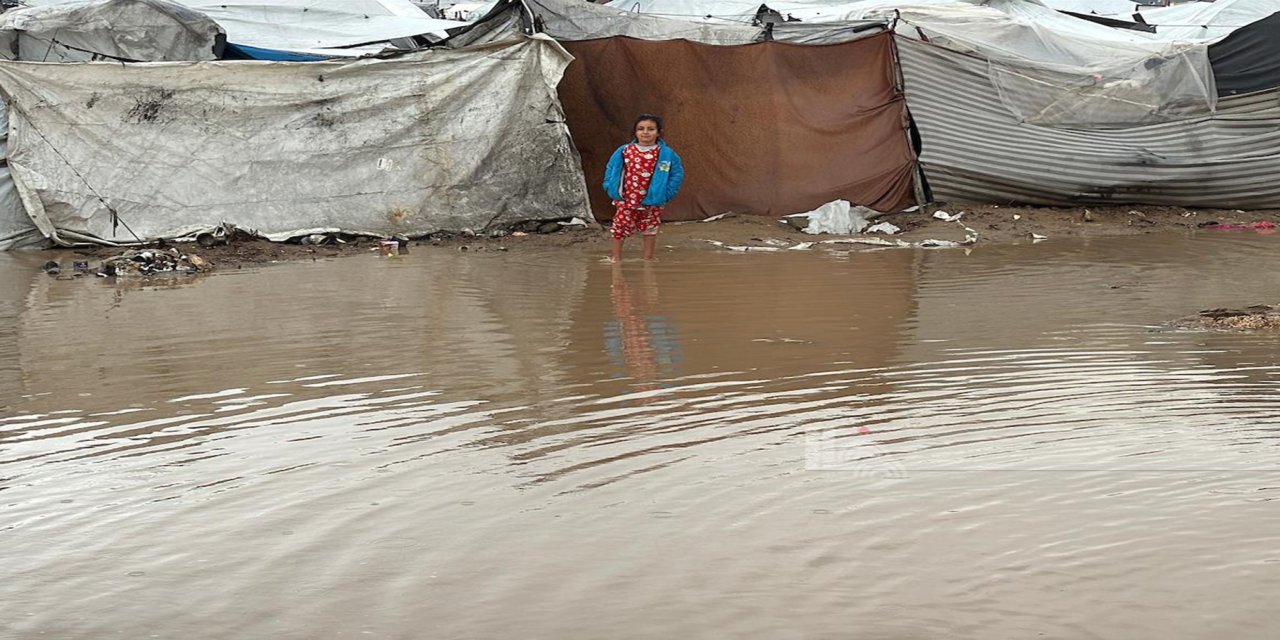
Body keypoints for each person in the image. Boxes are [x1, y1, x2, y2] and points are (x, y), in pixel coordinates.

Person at [602, 114, 685, 261]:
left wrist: (667, 194)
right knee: (619, 228)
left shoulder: (666, 153)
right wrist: (609, 186)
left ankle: (648, 260)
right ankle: (615, 259)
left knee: (650, 229)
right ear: (635, 132)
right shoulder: (625, 150)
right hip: (627, 200)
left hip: (652, 200)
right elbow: (611, 168)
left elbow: (676, 173)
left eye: (651, 129)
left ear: (658, 132)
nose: (645, 132)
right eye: (641, 129)